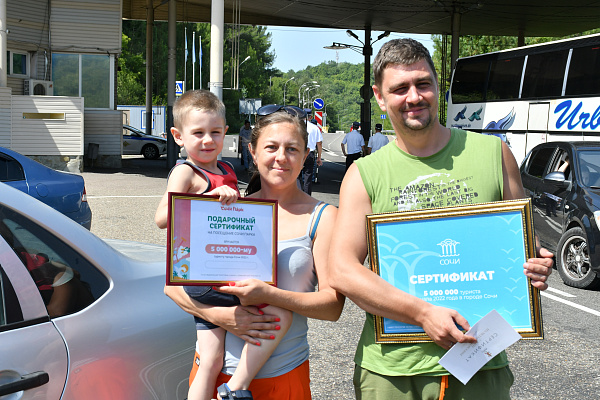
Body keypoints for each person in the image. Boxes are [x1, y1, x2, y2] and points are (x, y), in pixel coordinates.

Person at [328, 39, 554, 400]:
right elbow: (342, 270)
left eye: (423, 84)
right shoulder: (364, 174)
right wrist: (422, 313)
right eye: (400, 88)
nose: (414, 96)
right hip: (392, 372)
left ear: (438, 86)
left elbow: (521, 239)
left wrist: (535, 262)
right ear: (380, 97)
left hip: (479, 359)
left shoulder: (494, 154)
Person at [164, 104, 344, 400]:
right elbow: (173, 285)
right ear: (253, 151)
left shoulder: (323, 217)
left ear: (306, 156)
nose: (281, 157)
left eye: (292, 149)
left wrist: (271, 295)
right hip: (213, 374)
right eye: (271, 147)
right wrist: (222, 316)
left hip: (282, 378)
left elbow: (332, 307)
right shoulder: (225, 206)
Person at [154, 90, 292, 400]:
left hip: (212, 273)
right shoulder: (185, 172)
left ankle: (228, 389)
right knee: (280, 315)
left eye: (215, 132)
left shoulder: (227, 170)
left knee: (211, 359)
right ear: (178, 136)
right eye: (198, 133)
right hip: (206, 278)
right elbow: (162, 217)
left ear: (225, 132)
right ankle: (236, 387)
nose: (207, 140)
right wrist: (206, 199)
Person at [298, 115, 323, 194]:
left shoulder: (297, 126)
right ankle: (306, 196)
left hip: (298, 153)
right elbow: (319, 143)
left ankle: (296, 194)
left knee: (296, 175)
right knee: (308, 176)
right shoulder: (315, 128)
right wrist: (319, 157)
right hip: (310, 153)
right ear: (310, 117)